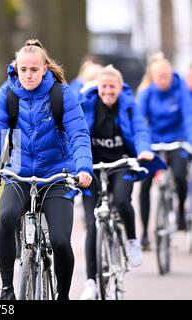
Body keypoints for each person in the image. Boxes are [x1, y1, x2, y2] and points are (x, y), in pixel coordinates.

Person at [0, 39, 93, 300]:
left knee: (62, 241)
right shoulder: (6, 93)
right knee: (6, 218)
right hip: (18, 174)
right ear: (16, 69)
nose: (28, 75)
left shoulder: (62, 94)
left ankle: (62, 295)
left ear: (44, 69)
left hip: (56, 175)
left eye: (34, 70)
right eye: (23, 70)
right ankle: (7, 288)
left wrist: (83, 167)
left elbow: (78, 134)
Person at [78, 65, 164, 300]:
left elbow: (140, 130)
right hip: (91, 167)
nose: (107, 91)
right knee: (92, 224)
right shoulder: (86, 103)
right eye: (103, 86)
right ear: (98, 87)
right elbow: (74, 131)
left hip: (121, 163)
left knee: (122, 201)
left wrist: (144, 150)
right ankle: (90, 283)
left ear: (119, 87)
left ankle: (133, 241)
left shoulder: (128, 105)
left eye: (112, 87)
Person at [137, 54, 192, 249]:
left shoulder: (181, 91)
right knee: (144, 182)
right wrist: (142, 147)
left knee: (179, 174)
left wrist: (190, 141)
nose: (164, 80)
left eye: (167, 76)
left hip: (177, 141)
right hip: (153, 142)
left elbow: (188, 117)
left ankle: (180, 211)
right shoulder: (146, 93)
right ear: (153, 77)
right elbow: (140, 122)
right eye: (159, 77)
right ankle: (144, 233)